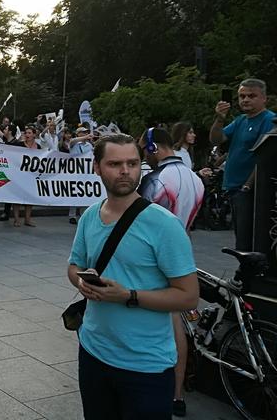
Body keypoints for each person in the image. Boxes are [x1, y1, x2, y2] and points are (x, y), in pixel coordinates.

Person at [68, 134, 199, 420]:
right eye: (115, 163)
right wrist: (81, 282)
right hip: (93, 352)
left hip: (145, 366)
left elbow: (188, 295)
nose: (125, 171)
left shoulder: (164, 224)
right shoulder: (90, 216)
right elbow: (74, 265)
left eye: (132, 163)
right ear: (97, 168)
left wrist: (128, 296)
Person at [137, 127, 205, 417]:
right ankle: (177, 394)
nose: (143, 156)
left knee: (162, 322)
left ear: (154, 147)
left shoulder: (156, 178)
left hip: (154, 256)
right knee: (176, 321)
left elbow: (137, 217)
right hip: (182, 249)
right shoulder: (195, 178)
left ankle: (155, 386)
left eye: (144, 150)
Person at [209, 78, 276, 250]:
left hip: (251, 191)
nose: (245, 100)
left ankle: (251, 274)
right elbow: (216, 139)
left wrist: (247, 185)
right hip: (234, 187)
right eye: (241, 96)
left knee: (249, 238)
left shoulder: (269, 120)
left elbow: (266, 158)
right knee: (240, 235)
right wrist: (219, 118)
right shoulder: (240, 120)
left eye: (251, 96)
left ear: (264, 98)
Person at [12, 126, 41, 227]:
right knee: (17, 198)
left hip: (31, 176)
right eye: (26, 133)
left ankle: (27, 219)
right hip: (19, 175)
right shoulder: (19, 145)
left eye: (29, 133)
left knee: (29, 198)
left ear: (34, 135)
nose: (27, 135)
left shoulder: (38, 147)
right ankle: (16, 219)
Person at [67, 126, 94, 225]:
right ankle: (72, 215)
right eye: (82, 132)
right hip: (75, 172)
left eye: (86, 132)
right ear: (78, 134)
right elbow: (72, 141)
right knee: (75, 193)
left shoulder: (89, 145)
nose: (85, 134)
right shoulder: (74, 144)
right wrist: (84, 137)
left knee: (84, 192)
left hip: (86, 172)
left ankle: (83, 215)